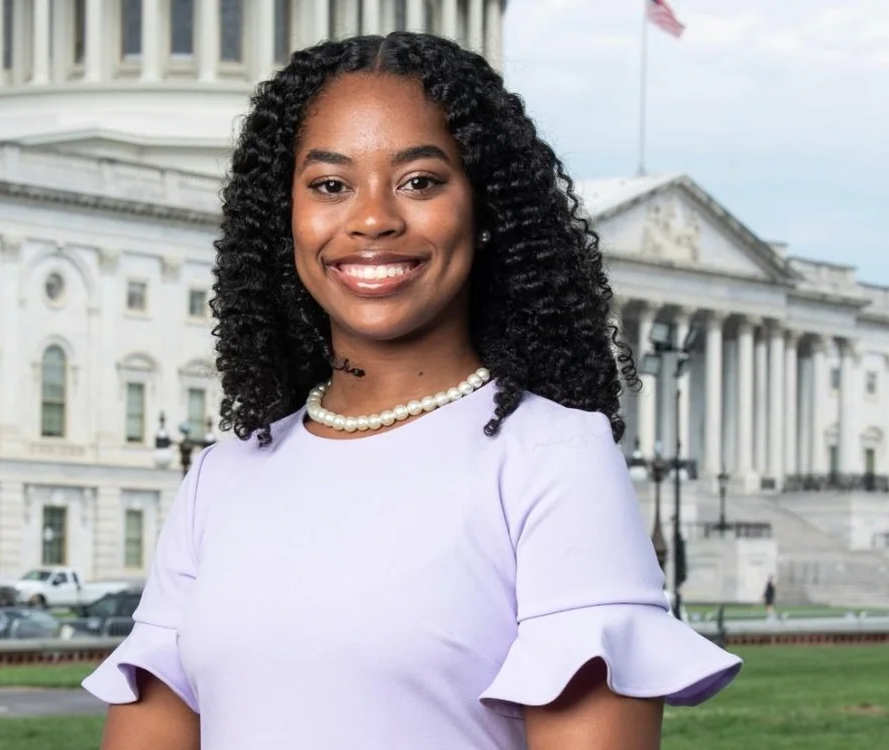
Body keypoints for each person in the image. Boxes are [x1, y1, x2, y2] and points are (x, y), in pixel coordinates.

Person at [83, 32, 742, 750]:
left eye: (420, 181)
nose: (372, 219)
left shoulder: (552, 456)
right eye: (330, 185)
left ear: (486, 211)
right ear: (286, 218)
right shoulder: (223, 476)